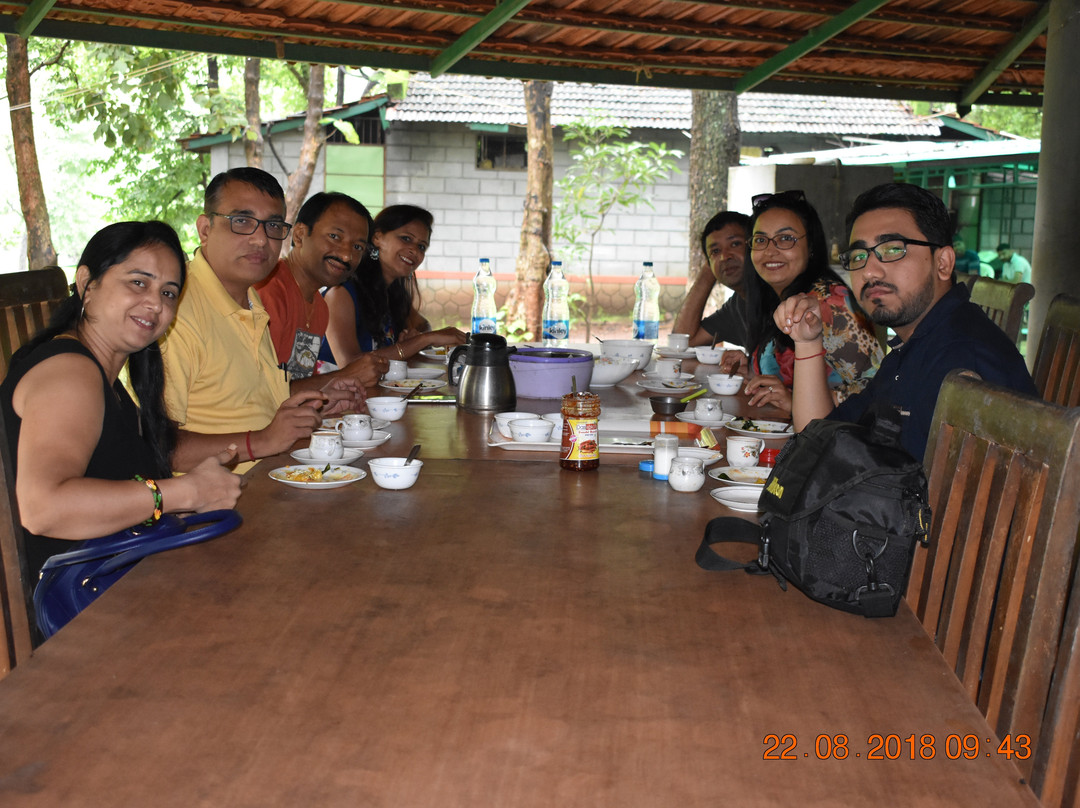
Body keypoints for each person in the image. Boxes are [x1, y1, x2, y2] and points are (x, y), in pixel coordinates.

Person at [0, 221, 242, 586]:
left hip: (107, 585)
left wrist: (195, 491)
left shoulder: (107, 380)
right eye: (138, 282)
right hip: (66, 615)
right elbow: (43, 508)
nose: (155, 304)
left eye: (169, 293)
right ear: (86, 283)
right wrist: (182, 492)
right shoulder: (70, 373)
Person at [775, 183, 1037, 461]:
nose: (870, 271)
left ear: (943, 263)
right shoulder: (917, 342)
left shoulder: (958, 360)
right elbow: (819, 438)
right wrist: (807, 341)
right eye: (859, 256)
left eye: (892, 250)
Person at [162, 167, 364, 473]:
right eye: (242, 221)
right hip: (212, 507)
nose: (260, 239)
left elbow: (252, 402)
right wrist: (261, 442)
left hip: (270, 480)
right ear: (205, 229)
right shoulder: (174, 313)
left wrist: (319, 403)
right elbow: (157, 446)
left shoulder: (250, 299)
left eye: (272, 226)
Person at [720, 190, 883, 416]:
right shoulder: (776, 298)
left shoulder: (828, 303)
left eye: (786, 238)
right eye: (760, 240)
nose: (770, 250)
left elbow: (876, 389)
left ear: (812, 247)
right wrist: (750, 369)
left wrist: (796, 402)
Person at [255, 191, 387, 383]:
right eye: (335, 236)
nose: (346, 256)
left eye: (357, 247)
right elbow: (260, 392)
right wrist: (345, 377)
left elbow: (299, 379)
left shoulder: (319, 307)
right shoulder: (268, 293)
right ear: (299, 235)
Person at [321, 204, 466, 366]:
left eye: (421, 246)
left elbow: (423, 325)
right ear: (377, 238)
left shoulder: (393, 293)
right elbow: (350, 365)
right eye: (406, 238)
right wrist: (422, 340)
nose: (414, 251)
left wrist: (414, 338)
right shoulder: (341, 292)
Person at [670, 211, 751, 347]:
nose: (725, 256)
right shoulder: (737, 307)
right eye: (715, 251)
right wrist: (712, 267)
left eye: (735, 244)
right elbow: (681, 343)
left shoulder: (780, 297)